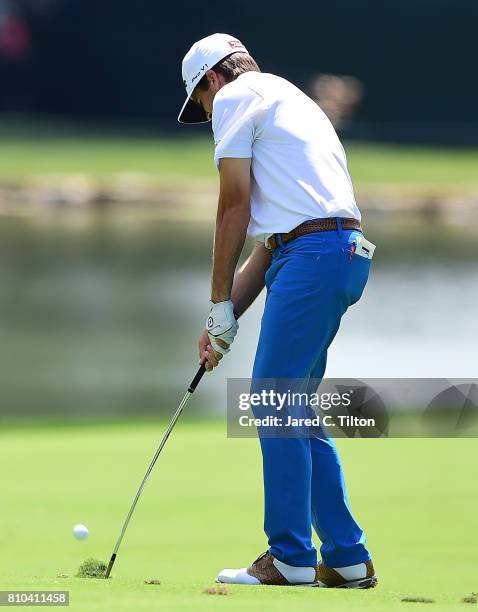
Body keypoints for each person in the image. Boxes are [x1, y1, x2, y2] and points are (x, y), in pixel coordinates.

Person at [178, 33, 377, 588]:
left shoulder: (237, 99)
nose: (208, 114)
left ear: (213, 80)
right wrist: (223, 320)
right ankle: (346, 557)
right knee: (294, 407)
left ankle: (289, 557)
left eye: (201, 103)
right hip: (335, 254)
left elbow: (233, 207)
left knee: (270, 397)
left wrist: (217, 300)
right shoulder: (291, 101)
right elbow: (272, 242)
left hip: (313, 254)